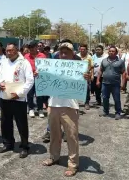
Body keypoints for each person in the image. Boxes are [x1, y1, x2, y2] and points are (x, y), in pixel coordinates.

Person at [41, 41, 90, 177]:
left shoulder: (79, 68)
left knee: (71, 136)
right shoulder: (51, 67)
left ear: (72, 54)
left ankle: (73, 164)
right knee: (54, 135)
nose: (63, 54)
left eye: (66, 52)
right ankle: (54, 156)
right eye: (61, 52)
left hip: (70, 107)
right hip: (53, 105)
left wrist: (87, 78)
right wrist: (38, 76)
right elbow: (43, 81)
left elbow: (85, 82)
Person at [0, 43, 34, 158]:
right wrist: (0, 83)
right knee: (5, 122)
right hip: (5, 96)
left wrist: (20, 93)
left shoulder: (24, 63)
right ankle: (8, 143)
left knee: (21, 123)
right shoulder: (4, 62)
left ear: (17, 50)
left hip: (19, 98)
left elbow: (30, 80)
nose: (9, 52)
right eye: (7, 51)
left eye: (11, 50)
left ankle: (24, 146)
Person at [96, 46, 125, 120]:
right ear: (108, 52)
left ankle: (118, 113)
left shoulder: (120, 61)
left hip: (115, 84)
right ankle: (105, 111)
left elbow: (123, 73)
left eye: (113, 51)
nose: (111, 52)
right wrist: (98, 80)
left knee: (117, 99)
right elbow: (100, 71)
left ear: (116, 53)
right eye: (110, 51)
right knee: (105, 98)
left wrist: (123, 83)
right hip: (105, 83)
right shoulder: (104, 61)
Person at [24, 41, 47, 118]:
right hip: (29, 78)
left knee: (39, 95)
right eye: (29, 47)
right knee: (30, 94)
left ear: (36, 47)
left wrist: (40, 72)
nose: (31, 49)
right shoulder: (26, 56)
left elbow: (46, 67)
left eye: (32, 47)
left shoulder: (42, 56)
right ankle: (31, 109)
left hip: (40, 78)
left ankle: (40, 109)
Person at [77, 44, 94, 110]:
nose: (82, 50)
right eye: (81, 49)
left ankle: (87, 103)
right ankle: (75, 103)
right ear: (79, 49)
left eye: (84, 49)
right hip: (77, 76)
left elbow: (92, 66)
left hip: (86, 75)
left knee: (87, 89)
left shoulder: (89, 57)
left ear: (86, 50)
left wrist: (92, 75)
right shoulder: (76, 56)